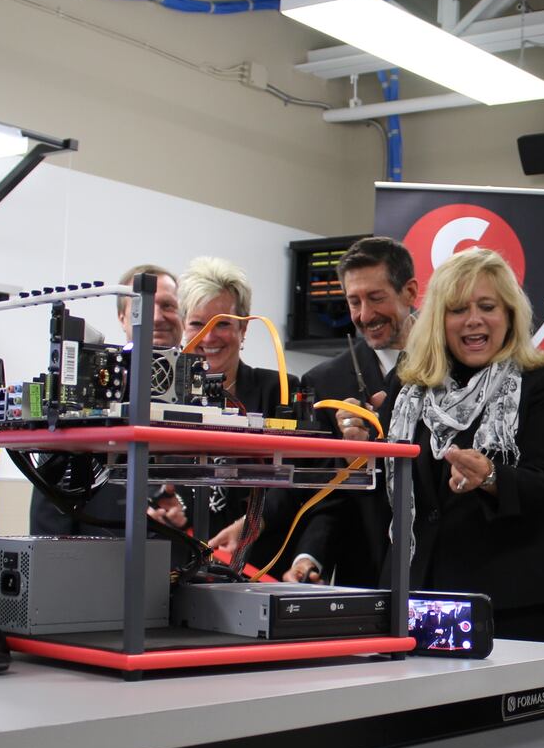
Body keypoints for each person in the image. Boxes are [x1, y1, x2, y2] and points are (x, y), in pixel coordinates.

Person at [370, 247, 544, 640]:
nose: (474, 320)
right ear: (438, 320)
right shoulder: (406, 385)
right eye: (458, 309)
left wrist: (493, 478)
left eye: (487, 306)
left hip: (507, 606)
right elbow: (382, 489)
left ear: (510, 316)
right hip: (411, 593)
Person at [276, 236, 418, 585]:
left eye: (376, 298)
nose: (364, 315)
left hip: (443, 569)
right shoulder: (324, 382)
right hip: (364, 576)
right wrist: (310, 557)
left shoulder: (452, 367)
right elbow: (327, 494)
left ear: (410, 292)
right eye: (353, 301)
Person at [28, 263, 185, 536]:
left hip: (183, 567)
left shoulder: (205, 404)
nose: (158, 317)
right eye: (144, 307)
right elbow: (50, 513)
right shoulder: (83, 400)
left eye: (169, 306)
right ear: (122, 318)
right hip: (96, 568)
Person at [181, 257, 284, 554]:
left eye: (222, 324)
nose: (209, 337)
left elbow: (296, 482)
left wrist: (254, 523)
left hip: (256, 563)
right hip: (175, 562)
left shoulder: (278, 391)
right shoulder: (155, 399)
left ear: (244, 329)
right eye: (197, 324)